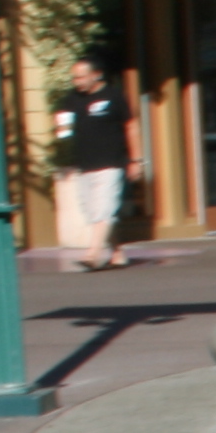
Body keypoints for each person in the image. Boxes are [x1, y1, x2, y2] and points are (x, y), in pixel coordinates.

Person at [50, 54, 135, 272]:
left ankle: (92, 254)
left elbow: (131, 126)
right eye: (74, 78)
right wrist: (60, 127)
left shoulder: (114, 96)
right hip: (85, 164)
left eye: (81, 77)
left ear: (97, 75)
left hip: (111, 163)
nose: (76, 82)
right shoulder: (72, 99)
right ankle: (117, 252)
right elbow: (63, 128)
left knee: (104, 210)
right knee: (92, 211)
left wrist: (135, 159)